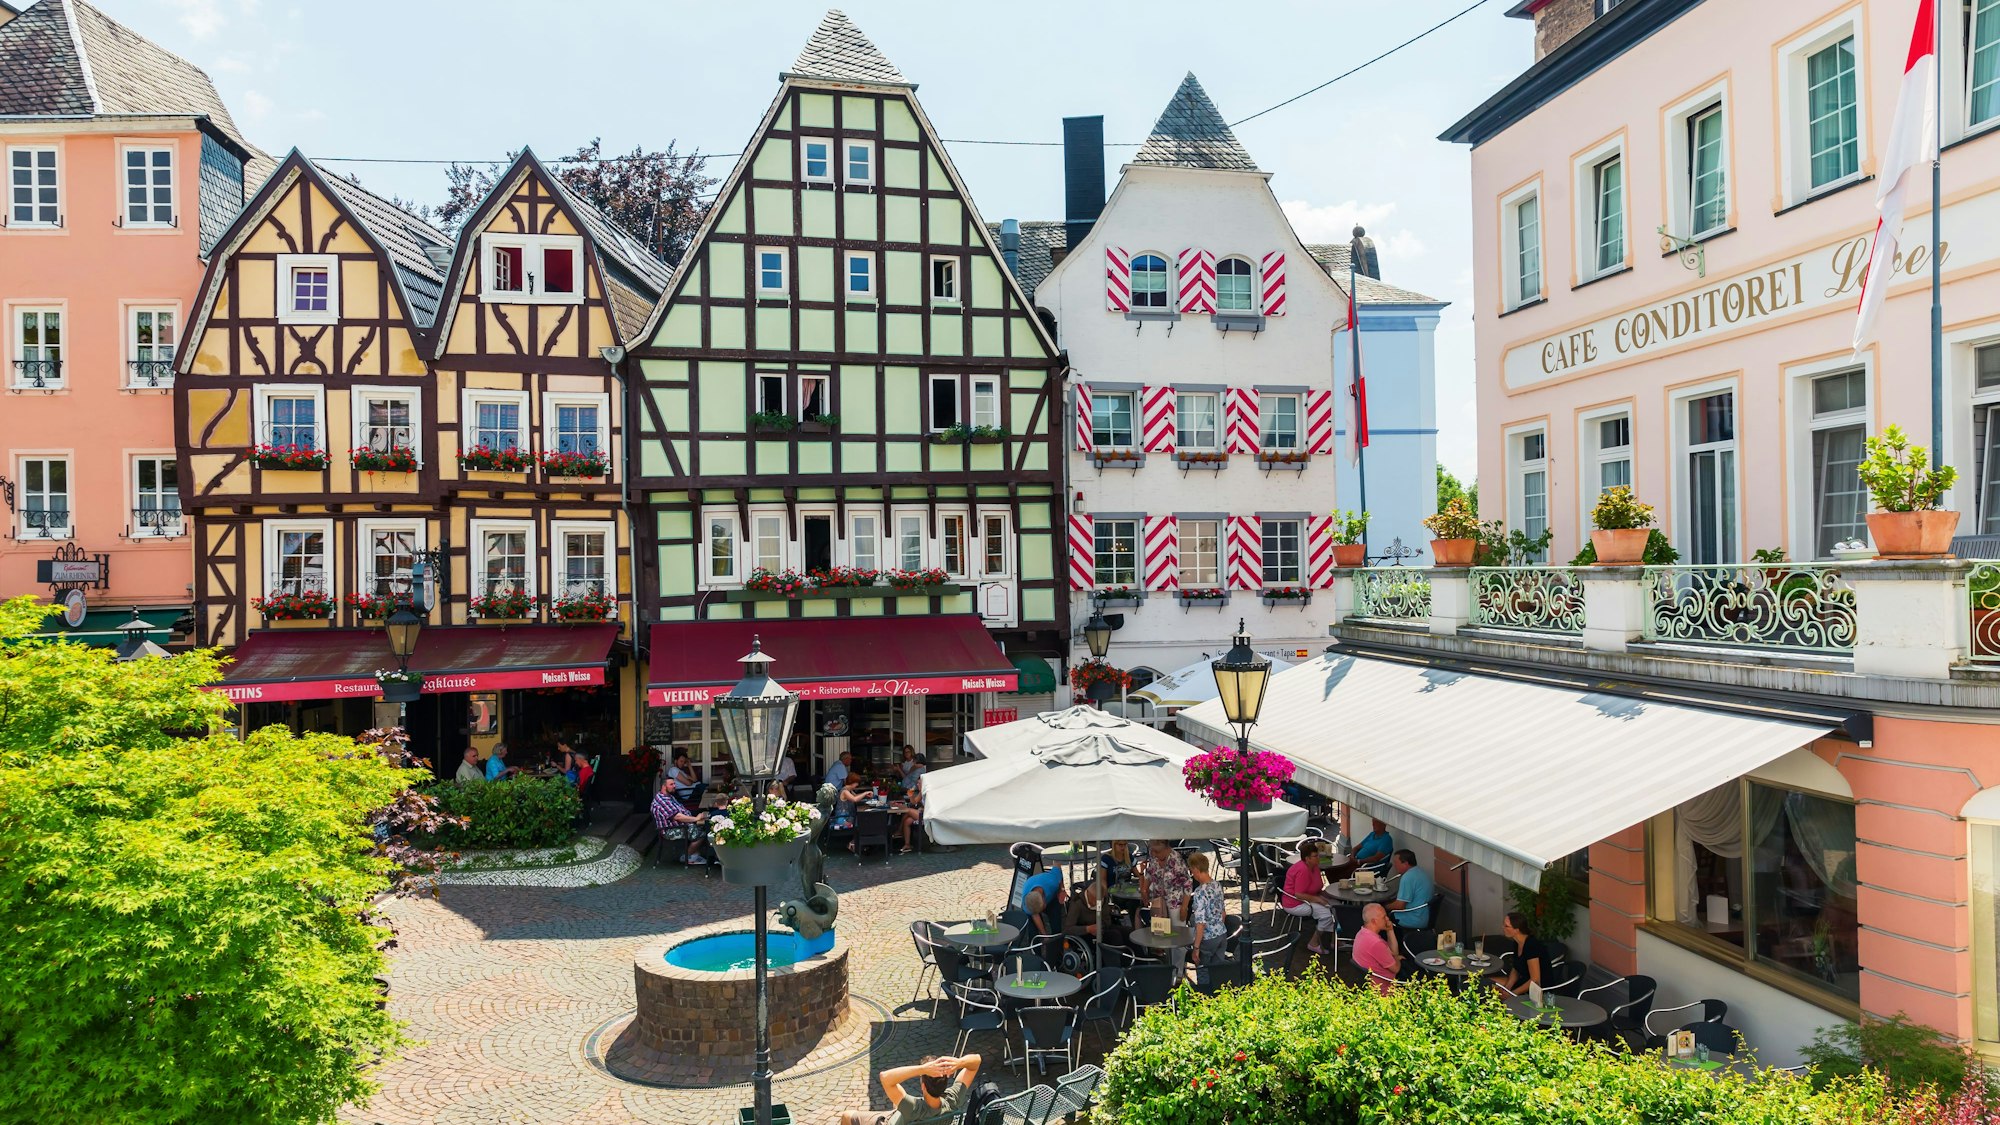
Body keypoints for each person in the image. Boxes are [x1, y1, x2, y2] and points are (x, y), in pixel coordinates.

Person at [836, 1052, 981, 1125]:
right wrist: (959, 1062)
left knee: (847, 1116)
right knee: (896, 1106)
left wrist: (922, 1069)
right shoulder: (952, 1100)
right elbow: (976, 1060)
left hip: (893, 1121)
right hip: (903, 1116)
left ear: (923, 1085)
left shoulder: (912, 1108)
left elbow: (885, 1077)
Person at [1279, 839, 1338, 955]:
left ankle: (1334, 941)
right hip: (1295, 903)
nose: (1318, 858)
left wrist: (1328, 896)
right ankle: (1313, 943)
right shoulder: (1303, 870)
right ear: (1307, 858)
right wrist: (1319, 900)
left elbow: (1316, 888)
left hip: (1309, 897)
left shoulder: (1314, 866)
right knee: (1327, 914)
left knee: (1338, 906)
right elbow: (1299, 894)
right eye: (1315, 856)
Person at [1186, 852, 1229, 986]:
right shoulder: (1217, 885)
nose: (1192, 874)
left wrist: (1196, 947)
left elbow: (1200, 923)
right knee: (1218, 973)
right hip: (1221, 934)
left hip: (1208, 939)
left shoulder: (1199, 892)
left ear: (1196, 870)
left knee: (1203, 971)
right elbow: (1223, 913)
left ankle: (1205, 999)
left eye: (1192, 871)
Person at [1490, 910, 1550, 997]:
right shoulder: (1517, 942)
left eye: (1506, 926)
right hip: (1523, 981)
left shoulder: (1531, 946)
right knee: (1487, 983)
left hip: (1538, 989)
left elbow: (1535, 980)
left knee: (1493, 992)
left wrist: (1512, 994)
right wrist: (1507, 988)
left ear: (1516, 930)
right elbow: (1516, 968)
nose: (1503, 927)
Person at [649, 786, 711, 865]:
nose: (674, 785)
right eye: (671, 784)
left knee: (703, 824)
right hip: (670, 830)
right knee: (702, 832)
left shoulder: (668, 797)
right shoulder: (663, 801)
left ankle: (695, 853)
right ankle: (687, 857)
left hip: (679, 824)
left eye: (674, 783)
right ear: (663, 787)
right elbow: (678, 817)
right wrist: (695, 819)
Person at [1136, 839, 1193, 923]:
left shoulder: (1176, 859)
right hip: (1158, 899)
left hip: (1175, 901)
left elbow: (1188, 884)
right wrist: (1144, 890)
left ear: (1167, 849)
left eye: (1157, 851)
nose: (1154, 854)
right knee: (1159, 932)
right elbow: (1149, 873)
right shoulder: (1153, 856)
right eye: (1152, 851)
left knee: (1177, 931)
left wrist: (1184, 908)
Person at [1351, 903, 1401, 995]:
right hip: (1385, 987)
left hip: (1369, 983)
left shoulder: (1362, 933)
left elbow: (1392, 952)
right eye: (1384, 917)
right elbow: (1396, 968)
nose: (1387, 919)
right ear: (1374, 921)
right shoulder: (1376, 943)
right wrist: (1397, 957)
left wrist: (1390, 930)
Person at [1062, 878, 1128, 946]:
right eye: (1094, 900)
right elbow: (1067, 929)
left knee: (1128, 932)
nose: (1096, 903)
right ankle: (1118, 955)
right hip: (1085, 934)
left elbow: (1107, 919)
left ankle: (1133, 955)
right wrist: (1087, 929)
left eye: (1099, 900)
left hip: (1102, 928)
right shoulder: (1077, 904)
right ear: (1088, 894)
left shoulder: (1103, 900)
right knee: (1115, 936)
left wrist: (1101, 925)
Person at [1387, 848, 1433, 929]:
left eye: (1396, 863)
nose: (1394, 866)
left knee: (1380, 916)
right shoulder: (1421, 872)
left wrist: (1383, 907)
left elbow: (1399, 905)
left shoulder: (1407, 877)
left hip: (1412, 919)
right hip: (1424, 916)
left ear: (1405, 863)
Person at [1020, 861, 1066, 935]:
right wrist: (1044, 935)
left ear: (1045, 901)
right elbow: (1035, 915)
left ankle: (1057, 940)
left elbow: (1057, 865)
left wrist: (1062, 889)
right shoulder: (1027, 904)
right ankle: (1035, 944)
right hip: (1034, 902)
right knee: (1032, 929)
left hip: (1051, 893)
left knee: (1056, 922)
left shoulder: (1052, 881)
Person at [897, 757, 926, 854]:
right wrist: (911, 796)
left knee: (908, 811)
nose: (917, 784)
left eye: (919, 783)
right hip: (921, 813)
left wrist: (922, 807)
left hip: (927, 815)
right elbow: (914, 802)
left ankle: (899, 831)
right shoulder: (921, 792)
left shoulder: (928, 792)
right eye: (917, 782)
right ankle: (907, 844)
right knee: (908, 821)